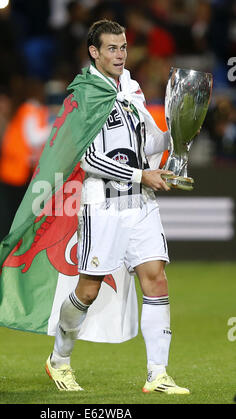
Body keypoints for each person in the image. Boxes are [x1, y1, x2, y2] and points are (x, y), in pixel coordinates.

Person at [45, 19, 190, 395]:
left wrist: (180, 131)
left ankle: (157, 374)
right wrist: (143, 175)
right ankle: (59, 359)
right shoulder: (83, 95)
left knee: (155, 276)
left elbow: (151, 143)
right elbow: (90, 160)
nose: (120, 54)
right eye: (112, 48)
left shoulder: (132, 88)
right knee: (89, 291)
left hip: (140, 204)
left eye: (123, 47)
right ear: (94, 52)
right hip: (102, 204)